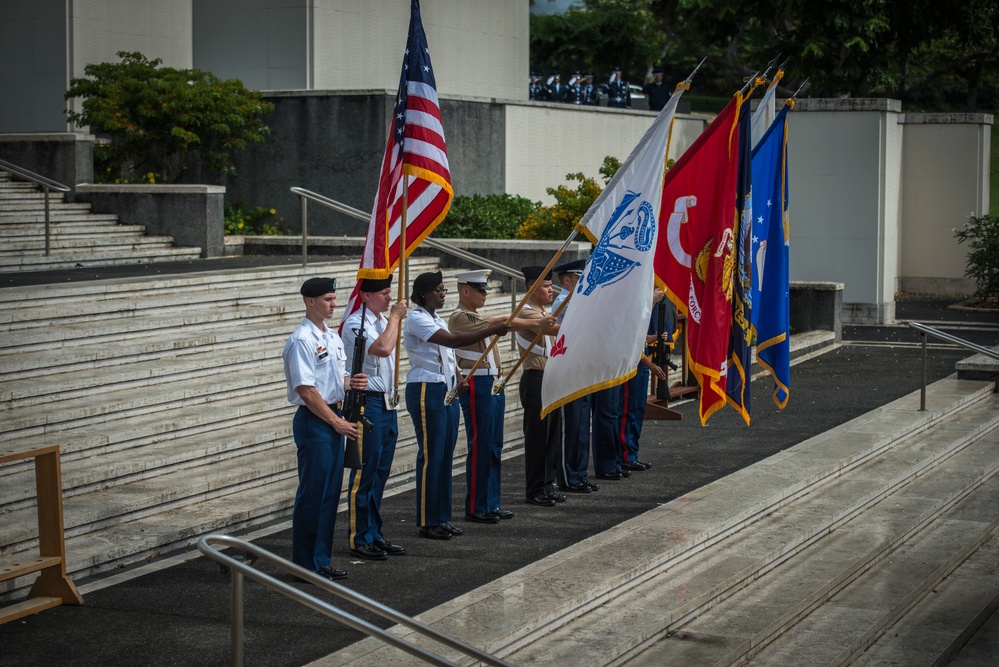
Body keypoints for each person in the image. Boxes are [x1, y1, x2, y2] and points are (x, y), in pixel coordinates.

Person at [404, 271, 510, 540]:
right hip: (427, 387)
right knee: (432, 456)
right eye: (437, 290)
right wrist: (492, 329)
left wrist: (460, 378)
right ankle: (429, 520)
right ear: (423, 293)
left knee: (444, 456)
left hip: (447, 387)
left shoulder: (436, 318)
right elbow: (451, 341)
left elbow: (449, 356)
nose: (442, 294)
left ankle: (442, 517)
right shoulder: (417, 318)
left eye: (443, 290)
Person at [449, 270, 552, 523]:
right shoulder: (459, 318)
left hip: (494, 382)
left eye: (485, 290)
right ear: (465, 291)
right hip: (478, 383)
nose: (485, 294)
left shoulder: (477, 316)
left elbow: (503, 318)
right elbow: (500, 324)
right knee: (481, 445)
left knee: (494, 446)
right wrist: (534, 324)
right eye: (480, 290)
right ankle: (476, 505)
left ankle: (491, 502)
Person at [282, 277, 367, 582]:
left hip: (332, 419)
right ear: (310, 301)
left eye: (334, 299)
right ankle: (304, 565)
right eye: (329, 299)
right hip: (316, 420)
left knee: (330, 494)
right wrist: (336, 421)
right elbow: (306, 390)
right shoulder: (302, 340)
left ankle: (321, 559)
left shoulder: (331, 337)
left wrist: (352, 383)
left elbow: (335, 379)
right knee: (313, 494)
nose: (334, 304)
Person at [340, 276, 408, 561]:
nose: (389, 298)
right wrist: (394, 317)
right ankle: (359, 537)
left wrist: (389, 318)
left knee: (381, 471)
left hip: (386, 403)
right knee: (364, 473)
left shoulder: (381, 321)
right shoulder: (358, 323)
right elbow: (383, 349)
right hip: (367, 404)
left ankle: (374, 532)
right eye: (383, 293)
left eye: (389, 293)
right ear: (366, 296)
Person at [551, 258, 599, 494]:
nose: (585, 281)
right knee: (571, 425)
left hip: (581, 365)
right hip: (568, 367)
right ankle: (569, 476)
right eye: (581, 278)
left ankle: (578, 474)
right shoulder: (564, 302)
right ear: (568, 280)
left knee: (581, 425)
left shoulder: (578, 300)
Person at [517, 266, 564, 506]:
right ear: (532, 287)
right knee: (537, 436)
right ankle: (534, 489)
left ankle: (547, 484)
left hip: (551, 377)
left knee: (552, 436)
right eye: (545, 286)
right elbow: (548, 328)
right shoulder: (525, 312)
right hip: (535, 377)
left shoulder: (542, 310)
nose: (550, 289)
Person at [620, 288, 670, 471]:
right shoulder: (630, 306)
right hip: (633, 363)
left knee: (638, 409)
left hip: (641, 360)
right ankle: (626, 455)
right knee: (628, 410)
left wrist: (654, 338)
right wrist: (650, 364)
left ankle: (632, 453)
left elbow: (640, 338)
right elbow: (631, 338)